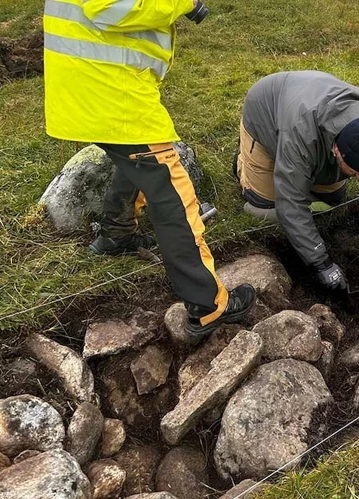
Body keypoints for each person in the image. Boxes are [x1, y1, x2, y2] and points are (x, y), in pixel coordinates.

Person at [43, 0, 255, 340]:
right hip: (110, 92)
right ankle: (207, 304)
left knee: (135, 162)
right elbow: (113, 8)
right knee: (169, 188)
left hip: (95, 86)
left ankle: (116, 234)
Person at [235, 70, 359, 290]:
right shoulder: (299, 133)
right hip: (266, 118)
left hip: (313, 129)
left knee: (333, 197)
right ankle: (244, 161)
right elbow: (289, 203)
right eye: (356, 171)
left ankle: (306, 172)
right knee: (262, 208)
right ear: (337, 150)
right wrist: (321, 263)